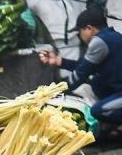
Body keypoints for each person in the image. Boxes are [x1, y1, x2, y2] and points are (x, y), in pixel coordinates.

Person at [39, 7, 122, 137]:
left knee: (98, 111)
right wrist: (58, 61)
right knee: (96, 84)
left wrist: (54, 91)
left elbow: (80, 75)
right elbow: (84, 66)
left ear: (89, 28)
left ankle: (115, 126)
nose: (79, 35)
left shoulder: (99, 41)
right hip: (118, 90)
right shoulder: (111, 37)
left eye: (80, 31)